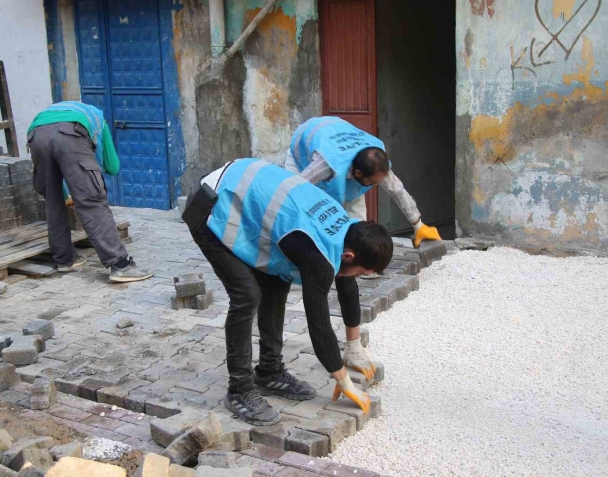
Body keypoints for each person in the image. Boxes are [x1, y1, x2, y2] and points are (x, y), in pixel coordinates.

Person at [184, 158, 393, 426]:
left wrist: (353, 346)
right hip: (211, 205)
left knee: (276, 279)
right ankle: (240, 390)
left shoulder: (347, 231)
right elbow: (319, 325)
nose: (359, 278)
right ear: (350, 255)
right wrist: (343, 380)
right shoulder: (318, 252)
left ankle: (269, 372)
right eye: (363, 272)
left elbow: (347, 286)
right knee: (247, 295)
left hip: (243, 193)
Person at [284, 116, 442, 382]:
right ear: (357, 175)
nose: (374, 187)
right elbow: (292, 192)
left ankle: (353, 346)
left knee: (352, 256)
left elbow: (397, 190)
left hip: (342, 166)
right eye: (370, 184)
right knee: (333, 254)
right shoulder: (323, 166)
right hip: (301, 167)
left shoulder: (376, 161)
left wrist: (418, 224)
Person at [27, 101, 153, 283]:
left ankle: (65, 259)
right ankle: (121, 265)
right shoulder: (98, 119)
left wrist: (65, 196)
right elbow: (113, 166)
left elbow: (51, 184)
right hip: (70, 135)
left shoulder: (52, 113)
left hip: (35, 135)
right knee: (91, 199)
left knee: (52, 200)